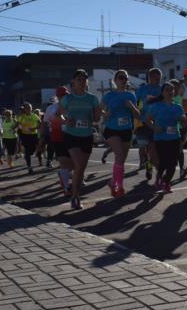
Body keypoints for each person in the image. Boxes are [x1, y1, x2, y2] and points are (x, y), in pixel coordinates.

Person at [57, 69, 101, 209]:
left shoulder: (92, 98)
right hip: (71, 136)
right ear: (73, 82)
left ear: (87, 82)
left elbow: (96, 119)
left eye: (84, 79)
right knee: (79, 166)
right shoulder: (67, 98)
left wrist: (98, 113)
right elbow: (58, 115)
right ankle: (75, 197)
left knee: (81, 169)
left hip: (86, 136)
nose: (81, 82)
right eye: (79, 79)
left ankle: (75, 193)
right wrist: (65, 121)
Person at [102, 69, 139, 197]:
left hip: (126, 130)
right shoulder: (109, 96)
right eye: (120, 77)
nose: (123, 80)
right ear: (115, 80)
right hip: (112, 130)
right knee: (119, 154)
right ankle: (121, 187)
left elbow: (138, 115)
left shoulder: (131, 95)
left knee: (121, 160)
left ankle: (113, 182)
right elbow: (99, 112)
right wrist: (106, 114)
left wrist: (132, 107)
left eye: (125, 78)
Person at [146, 82, 187, 193]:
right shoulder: (156, 106)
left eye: (172, 90)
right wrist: (155, 127)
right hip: (160, 138)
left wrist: (184, 120)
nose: (170, 92)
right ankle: (159, 177)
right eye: (167, 90)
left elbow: (183, 122)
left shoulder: (178, 107)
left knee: (173, 163)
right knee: (163, 162)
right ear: (162, 93)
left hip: (175, 138)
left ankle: (167, 182)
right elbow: (148, 120)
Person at [135, 68, 162, 181]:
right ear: (149, 77)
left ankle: (151, 167)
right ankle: (147, 164)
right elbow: (137, 104)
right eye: (155, 77)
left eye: (159, 77)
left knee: (152, 148)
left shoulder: (162, 89)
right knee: (144, 148)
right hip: (143, 122)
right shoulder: (142, 89)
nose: (157, 79)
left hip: (156, 122)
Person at [44, 86, 73, 196]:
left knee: (73, 163)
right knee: (64, 163)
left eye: (65, 95)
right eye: (61, 95)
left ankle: (63, 175)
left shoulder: (72, 107)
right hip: (57, 137)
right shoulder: (51, 108)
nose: (63, 97)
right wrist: (42, 137)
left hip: (71, 136)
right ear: (57, 96)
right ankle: (66, 188)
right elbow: (45, 122)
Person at [171, 79, 187, 179]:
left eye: (176, 87)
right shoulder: (166, 100)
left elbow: (182, 88)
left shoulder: (180, 97)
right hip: (171, 128)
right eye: (172, 87)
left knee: (179, 148)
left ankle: (181, 169)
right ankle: (181, 168)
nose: (174, 89)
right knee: (176, 149)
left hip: (182, 128)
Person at [16, 102, 40, 174]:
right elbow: (17, 124)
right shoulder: (22, 116)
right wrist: (17, 127)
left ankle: (28, 155)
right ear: (25, 109)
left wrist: (34, 128)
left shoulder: (35, 116)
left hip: (33, 135)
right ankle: (29, 166)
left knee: (31, 150)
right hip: (25, 136)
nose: (29, 109)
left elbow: (40, 124)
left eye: (30, 108)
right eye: (27, 108)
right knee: (27, 151)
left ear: (31, 108)